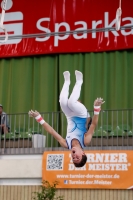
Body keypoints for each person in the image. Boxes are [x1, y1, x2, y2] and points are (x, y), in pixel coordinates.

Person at [28, 70, 104, 167]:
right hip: (82, 115)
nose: (74, 156)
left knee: (63, 101)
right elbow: (93, 125)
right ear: (83, 153)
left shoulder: (66, 144)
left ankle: (67, 81)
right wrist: (96, 109)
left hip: (69, 116)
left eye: (73, 158)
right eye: (77, 157)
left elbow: (51, 131)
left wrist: (39, 118)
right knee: (71, 102)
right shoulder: (85, 141)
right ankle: (79, 81)